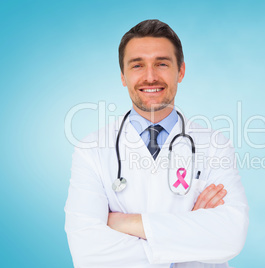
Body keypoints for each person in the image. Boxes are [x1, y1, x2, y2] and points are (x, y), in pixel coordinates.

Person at [65, 19, 249, 268]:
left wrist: (125, 223)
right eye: (137, 65)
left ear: (181, 71)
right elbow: (87, 254)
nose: (150, 77)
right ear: (123, 76)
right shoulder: (91, 149)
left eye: (162, 64)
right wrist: (188, 234)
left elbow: (230, 236)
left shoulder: (216, 145)